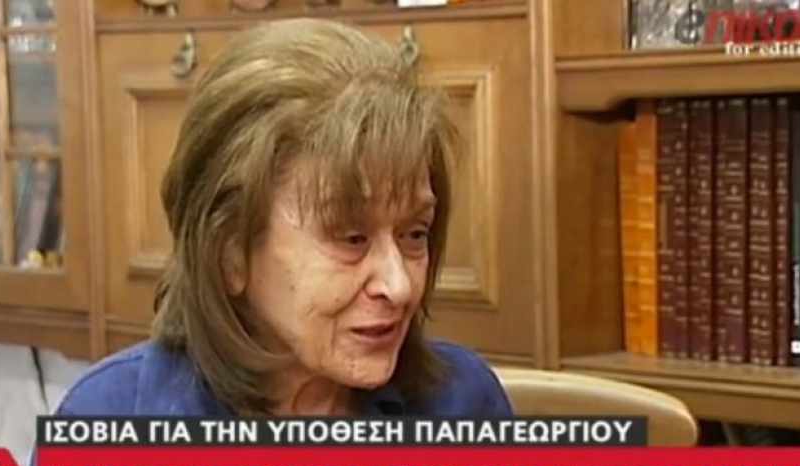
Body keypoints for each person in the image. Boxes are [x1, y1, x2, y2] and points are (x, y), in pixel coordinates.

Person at [54, 18, 512, 417]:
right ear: (228, 252)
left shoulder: (465, 403)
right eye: (352, 238)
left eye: (415, 233)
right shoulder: (106, 419)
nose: (400, 286)